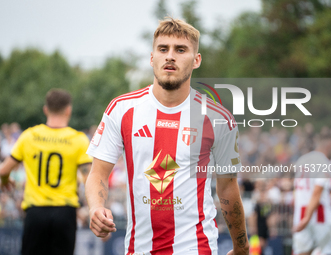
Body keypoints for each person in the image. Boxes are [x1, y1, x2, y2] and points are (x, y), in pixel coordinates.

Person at [85, 17, 249, 255]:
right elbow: (97, 173)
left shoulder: (218, 118)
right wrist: (95, 208)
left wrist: (241, 247)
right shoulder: (121, 109)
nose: (170, 56)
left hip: (197, 247)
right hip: (138, 249)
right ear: (152, 58)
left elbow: (227, 189)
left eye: (180, 50)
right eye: (163, 49)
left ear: (196, 60)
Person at [0, 89, 92, 255]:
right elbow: (90, 178)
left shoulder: (29, 136)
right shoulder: (78, 140)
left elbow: (3, 170)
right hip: (65, 212)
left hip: (36, 212)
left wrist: (6, 181)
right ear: (68, 110)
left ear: (45, 109)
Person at [293, 134, 331, 255]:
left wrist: (303, 218)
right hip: (320, 214)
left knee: (303, 252)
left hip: (300, 214)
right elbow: (317, 191)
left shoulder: (301, 160)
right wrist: (308, 218)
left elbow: (297, 190)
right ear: (329, 146)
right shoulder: (324, 162)